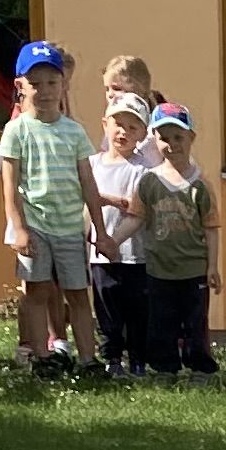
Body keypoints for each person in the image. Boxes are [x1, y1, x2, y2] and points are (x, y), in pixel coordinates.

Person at [0, 43, 101, 373]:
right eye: (36, 83)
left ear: (63, 85)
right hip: (34, 226)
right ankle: (42, 357)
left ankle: (88, 360)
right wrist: (18, 227)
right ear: (20, 86)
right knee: (37, 292)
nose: (45, 91)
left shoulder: (74, 132)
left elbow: (88, 182)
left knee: (77, 294)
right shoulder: (17, 129)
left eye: (52, 82)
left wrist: (101, 230)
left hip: (70, 227)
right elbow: (9, 183)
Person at [134, 107, 219, 378]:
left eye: (178, 137)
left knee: (195, 323)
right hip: (159, 269)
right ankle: (164, 368)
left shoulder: (200, 185)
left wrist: (212, 267)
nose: (172, 145)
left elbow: (211, 229)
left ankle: (200, 368)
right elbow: (136, 218)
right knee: (161, 321)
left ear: (191, 138)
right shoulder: (149, 181)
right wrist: (110, 241)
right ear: (155, 140)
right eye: (164, 138)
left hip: (193, 269)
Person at [87, 79, 158, 378]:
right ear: (105, 125)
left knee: (138, 311)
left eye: (132, 127)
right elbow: (84, 201)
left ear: (143, 133)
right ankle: (112, 358)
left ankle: (138, 360)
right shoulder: (92, 165)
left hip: (135, 255)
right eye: (118, 124)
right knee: (107, 310)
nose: (123, 132)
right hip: (99, 256)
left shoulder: (143, 170)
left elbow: (137, 210)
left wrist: (113, 236)